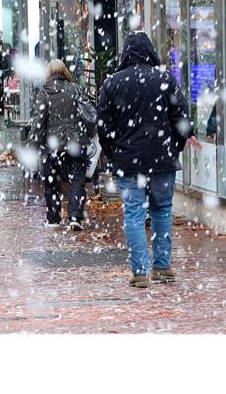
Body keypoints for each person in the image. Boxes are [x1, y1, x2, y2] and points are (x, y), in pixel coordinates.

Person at [97, 32, 196, 288]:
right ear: (150, 52)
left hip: (129, 161)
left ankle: (140, 271)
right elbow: (181, 117)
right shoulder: (164, 80)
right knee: (162, 210)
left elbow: (103, 126)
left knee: (133, 214)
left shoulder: (112, 83)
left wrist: (114, 153)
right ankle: (162, 266)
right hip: (162, 159)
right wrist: (176, 146)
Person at [31, 59, 91, 230]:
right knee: (77, 179)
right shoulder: (75, 89)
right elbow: (87, 114)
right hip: (75, 142)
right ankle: (75, 217)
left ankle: (53, 218)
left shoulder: (45, 92)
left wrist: (32, 145)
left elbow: (38, 122)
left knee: (51, 180)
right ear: (65, 72)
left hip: (53, 144)